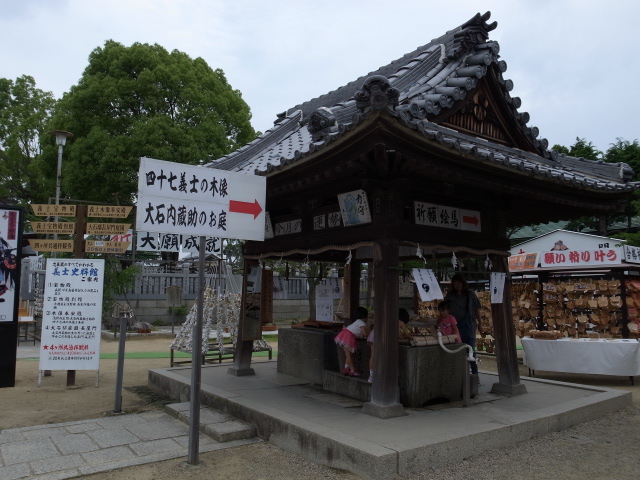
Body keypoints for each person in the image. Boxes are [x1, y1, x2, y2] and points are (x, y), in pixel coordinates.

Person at [444, 274, 483, 374]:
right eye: (455, 283)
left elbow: (476, 308)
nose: (457, 285)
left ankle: (475, 374)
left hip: (469, 325)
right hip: (455, 327)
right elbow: (444, 309)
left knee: (471, 350)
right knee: (457, 351)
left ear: (463, 283)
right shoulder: (450, 296)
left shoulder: (470, 294)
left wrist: (480, 323)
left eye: (459, 283)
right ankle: (460, 374)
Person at [367, 308, 412, 383]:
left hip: (374, 334)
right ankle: (381, 375)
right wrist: (409, 335)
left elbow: (399, 335)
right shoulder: (400, 322)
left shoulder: (388, 319)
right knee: (383, 356)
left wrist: (402, 336)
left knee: (373, 356)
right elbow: (406, 334)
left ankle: (371, 376)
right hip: (382, 337)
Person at [334, 306, 369, 377]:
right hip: (348, 337)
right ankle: (353, 370)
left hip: (345, 335)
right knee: (349, 355)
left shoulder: (357, 321)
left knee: (349, 354)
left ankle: (346, 368)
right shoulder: (361, 322)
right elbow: (365, 333)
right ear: (365, 315)